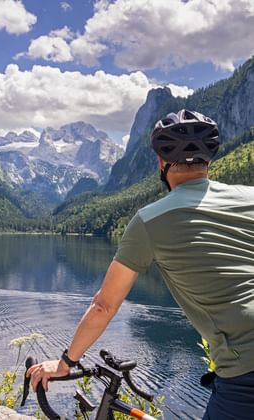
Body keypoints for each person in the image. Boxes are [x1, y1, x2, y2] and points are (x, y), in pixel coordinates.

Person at [27, 110, 254, 419]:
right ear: (209, 162)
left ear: (161, 164)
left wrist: (66, 363)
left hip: (245, 371)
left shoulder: (150, 220)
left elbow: (104, 306)